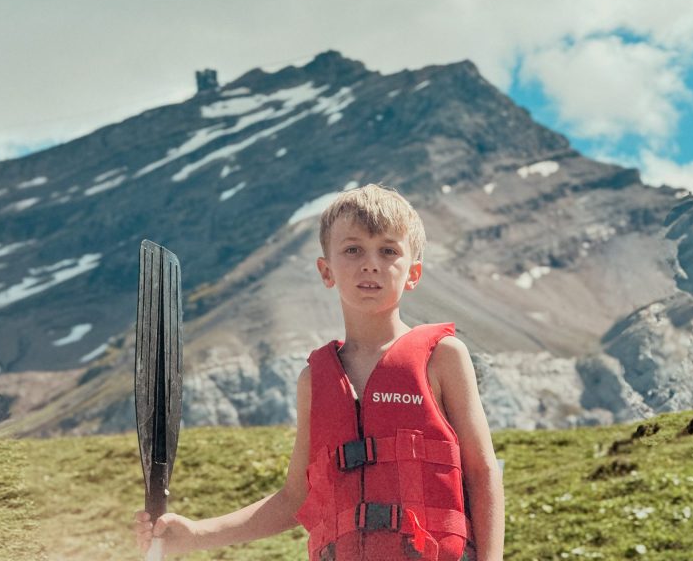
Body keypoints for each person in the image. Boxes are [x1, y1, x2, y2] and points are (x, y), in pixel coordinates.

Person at [135, 184, 505, 560]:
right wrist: (196, 533)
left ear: (413, 273)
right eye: (352, 249)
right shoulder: (315, 381)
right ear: (326, 271)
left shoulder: (442, 357)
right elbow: (296, 498)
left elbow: (482, 471)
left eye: (388, 250)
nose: (370, 263)